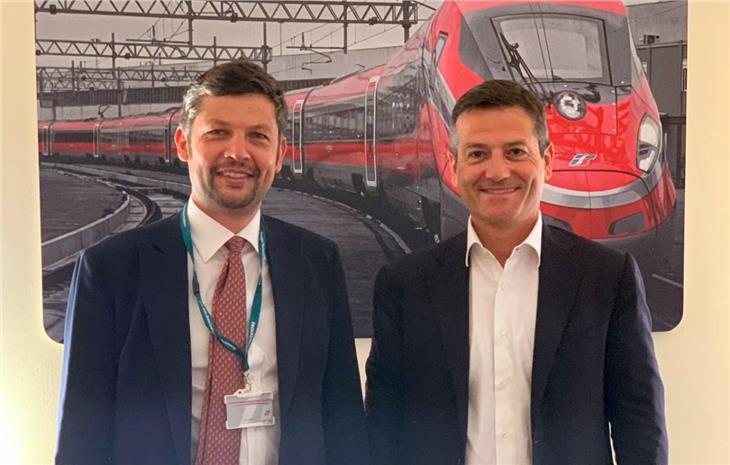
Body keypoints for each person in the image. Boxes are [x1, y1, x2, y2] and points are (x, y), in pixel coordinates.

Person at [55, 59, 367, 465]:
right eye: (218, 133)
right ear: (183, 144)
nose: (237, 153)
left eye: (257, 136)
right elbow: (81, 438)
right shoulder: (110, 270)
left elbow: (344, 423)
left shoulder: (317, 263)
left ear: (280, 154)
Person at [365, 80, 668, 465]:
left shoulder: (607, 278)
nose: (497, 171)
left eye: (515, 152)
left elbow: (640, 425)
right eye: (477, 153)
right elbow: (382, 429)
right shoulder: (403, 286)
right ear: (454, 166)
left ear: (547, 160)